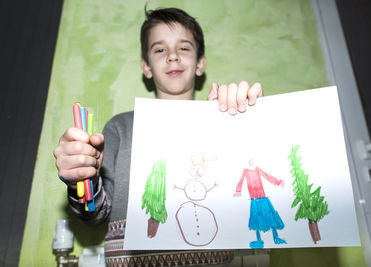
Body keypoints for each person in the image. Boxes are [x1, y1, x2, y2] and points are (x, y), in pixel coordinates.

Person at [53, 7, 263, 266]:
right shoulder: (121, 128)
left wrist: (245, 120)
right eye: (160, 49)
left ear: (200, 64)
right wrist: (80, 181)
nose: (173, 56)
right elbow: (94, 215)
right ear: (146, 67)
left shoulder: (222, 122)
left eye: (184, 48)